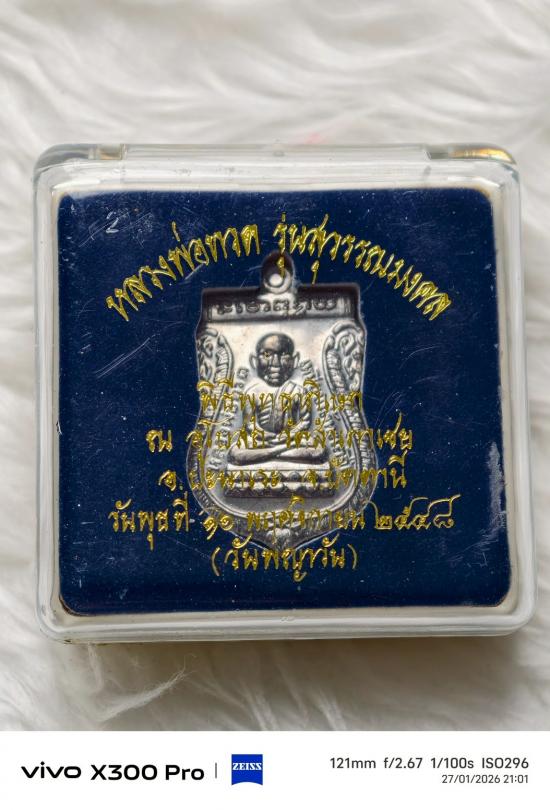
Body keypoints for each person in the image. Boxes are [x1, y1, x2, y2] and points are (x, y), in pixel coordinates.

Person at [228, 333, 327, 465]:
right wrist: (264, 435)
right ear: (254, 361)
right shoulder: (251, 393)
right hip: (262, 441)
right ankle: (278, 452)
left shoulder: (299, 391)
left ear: (295, 360)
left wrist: (289, 435)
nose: (276, 363)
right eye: (267, 355)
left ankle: (268, 454)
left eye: (284, 354)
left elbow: (305, 422)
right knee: (236, 452)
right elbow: (250, 425)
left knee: (318, 449)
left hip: (291, 440)